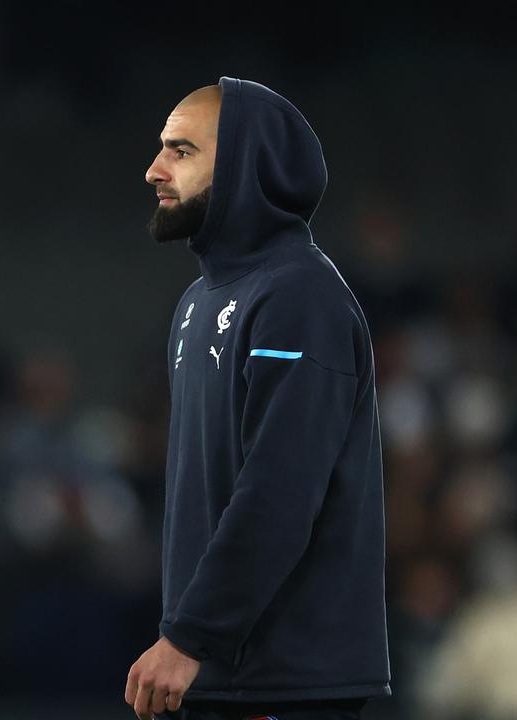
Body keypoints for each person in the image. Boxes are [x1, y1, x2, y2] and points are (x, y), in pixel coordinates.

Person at [124, 78, 390, 720]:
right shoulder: (197, 302)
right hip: (222, 673)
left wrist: (192, 635)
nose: (155, 169)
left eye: (181, 151)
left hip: (286, 679)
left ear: (245, 164)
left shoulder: (298, 298)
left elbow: (281, 488)